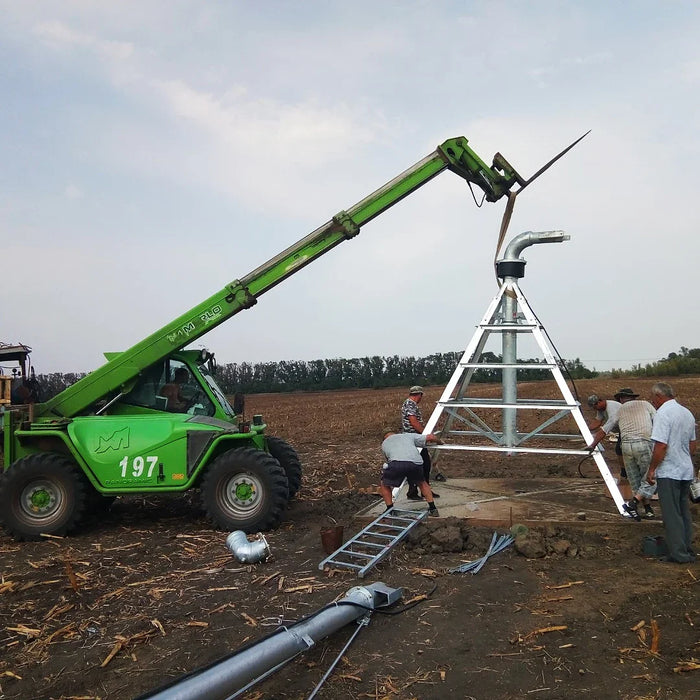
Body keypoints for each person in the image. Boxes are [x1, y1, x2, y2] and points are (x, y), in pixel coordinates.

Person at [645, 382, 697, 564]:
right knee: (683, 512)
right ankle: (687, 549)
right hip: (685, 470)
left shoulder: (663, 414)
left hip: (669, 471)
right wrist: (682, 458)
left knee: (671, 514)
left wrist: (651, 469)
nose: (653, 402)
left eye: (653, 398)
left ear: (659, 397)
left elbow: (661, 445)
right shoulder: (686, 413)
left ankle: (678, 554)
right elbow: (692, 445)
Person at [588, 388, 656, 520]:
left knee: (635, 479)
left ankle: (646, 509)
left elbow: (603, 430)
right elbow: (658, 420)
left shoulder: (618, 410)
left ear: (620, 399)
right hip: (643, 443)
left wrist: (592, 445)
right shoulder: (646, 404)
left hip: (626, 445)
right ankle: (634, 503)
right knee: (650, 476)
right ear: (633, 397)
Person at [380, 428, 440, 516]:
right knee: (422, 483)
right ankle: (433, 508)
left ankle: (390, 509)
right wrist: (440, 441)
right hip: (415, 463)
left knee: (384, 484)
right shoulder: (407, 435)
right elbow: (430, 437)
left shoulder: (384, 444)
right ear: (395, 433)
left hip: (396, 463)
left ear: (384, 437)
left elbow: (388, 459)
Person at [401, 385, 441, 500]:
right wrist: (425, 435)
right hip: (413, 438)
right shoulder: (410, 404)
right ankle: (416, 492)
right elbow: (413, 421)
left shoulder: (409, 404)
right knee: (421, 464)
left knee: (422, 464)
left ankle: (422, 491)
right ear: (419, 395)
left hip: (414, 438)